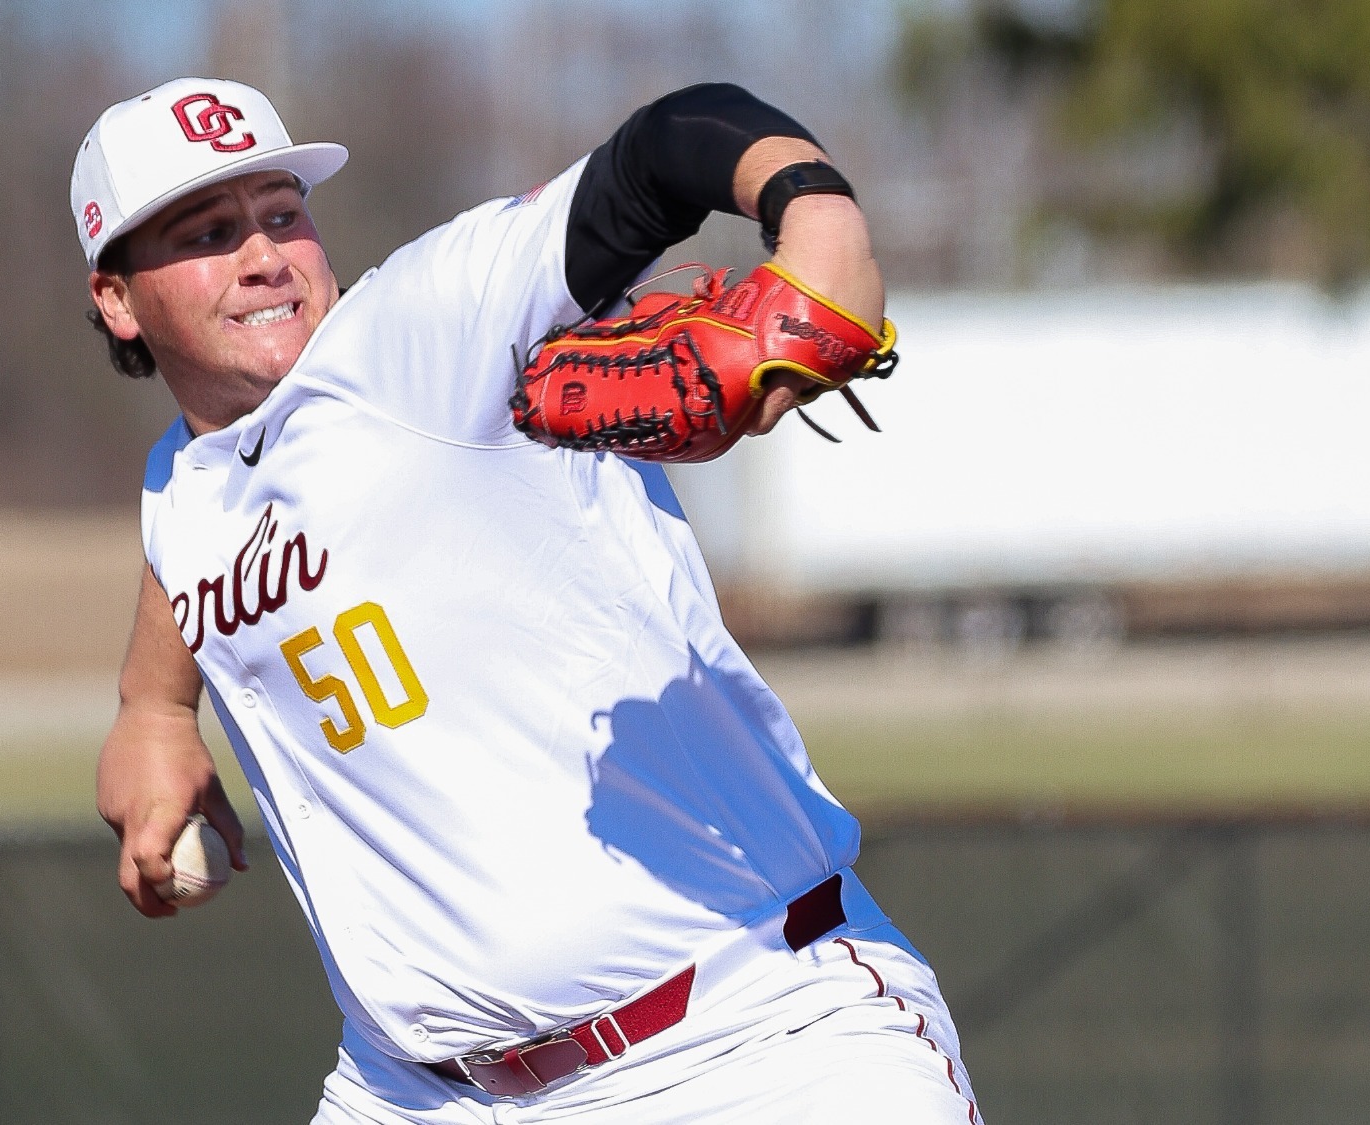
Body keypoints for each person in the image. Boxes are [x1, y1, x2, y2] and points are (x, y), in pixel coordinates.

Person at [75, 77, 981, 1124]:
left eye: (281, 214)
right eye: (207, 232)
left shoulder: (422, 332)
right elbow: (191, 532)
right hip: (417, 1095)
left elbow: (670, 141)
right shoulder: (182, 484)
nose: (264, 254)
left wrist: (814, 210)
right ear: (116, 297)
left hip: (747, 1041)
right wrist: (152, 709)